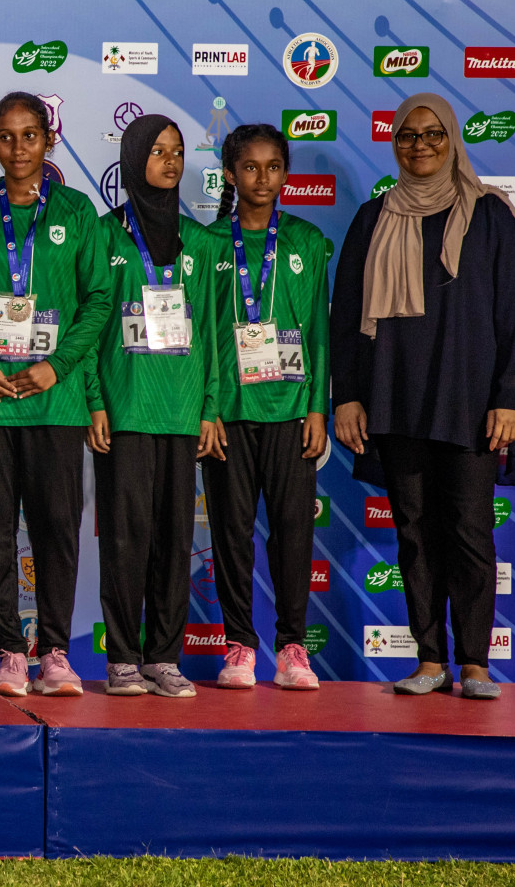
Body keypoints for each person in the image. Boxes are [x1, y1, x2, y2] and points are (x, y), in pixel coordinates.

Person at [331, 92, 515, 702]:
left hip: (471, 403)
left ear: (452, 141)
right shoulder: (373, 219)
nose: (420, 146)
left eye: (433, 135)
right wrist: (349, 398)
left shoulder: (492, 215)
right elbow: (346, 321)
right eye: (408, 136)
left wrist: (511, 398)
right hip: (396, 399)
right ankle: (429, 659)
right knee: (414, 532)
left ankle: (474, 662)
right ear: (395, 144)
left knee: (470, 530)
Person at [0, 92, 109, 698]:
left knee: (56, 530)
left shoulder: (77, 211)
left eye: (30, 136)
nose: (18, 148)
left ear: (48, 140)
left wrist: (57, 366)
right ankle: (12, 652)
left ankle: (56, 652)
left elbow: (98, 302)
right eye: (6, 137)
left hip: (54, 403)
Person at [92, 113, 223, 699]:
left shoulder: (199, 241)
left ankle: (163, 657)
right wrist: (96, 401)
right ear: (132, 158)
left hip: (180, 411)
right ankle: (122, 657)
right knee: (125, 537)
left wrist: (210, 407)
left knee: (174, 540)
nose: (169, 162)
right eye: (156, 151)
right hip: (125, 410)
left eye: (176, 152)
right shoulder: (104, 234)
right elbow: (89, 326)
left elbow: (215, 335)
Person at [202, 124, 331, 691]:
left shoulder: (305, 240)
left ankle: (293, 647)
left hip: (290, 410)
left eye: (273, 166)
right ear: (230, 174)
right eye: (249, 167)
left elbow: (321, 333)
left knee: (292, 533)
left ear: (286, 173)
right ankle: (239, 647)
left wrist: (318, 407)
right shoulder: (208, 244)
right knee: (231, 534)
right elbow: (202, 335)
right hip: (229, 413)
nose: (262, 178)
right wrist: (207, 408)